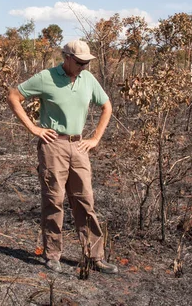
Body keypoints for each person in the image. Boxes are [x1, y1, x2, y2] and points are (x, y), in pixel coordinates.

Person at [7, 39, 117, 274]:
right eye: (79, 62)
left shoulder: (87, 79)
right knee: (53, 200)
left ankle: (94, 256)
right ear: (66, 58)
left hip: (79, 147)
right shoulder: (46, 77)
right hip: (53, 146)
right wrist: (33, 128)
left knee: (85, 201)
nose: (83, 67)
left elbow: (107, 106)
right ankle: (53, 255)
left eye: (87, 63)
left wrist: (95, 138)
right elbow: (14, 96)